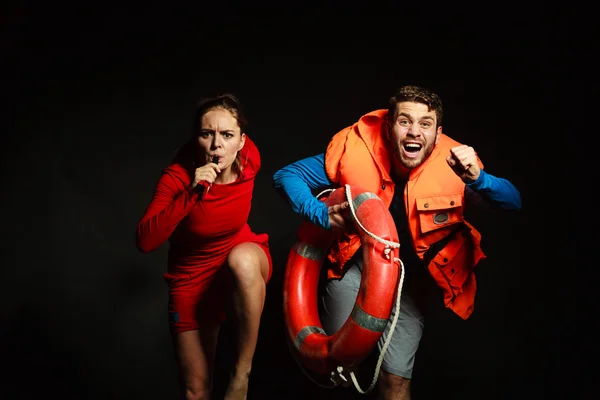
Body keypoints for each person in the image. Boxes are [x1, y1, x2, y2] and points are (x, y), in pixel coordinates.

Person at [272, 85, 521, 400]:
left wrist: (479, 179)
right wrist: (320, 214)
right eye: (405, 121)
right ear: (389, 127)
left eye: (425, 124)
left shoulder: (456, 165)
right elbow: (286, 176)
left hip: (409, 284)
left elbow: (513, 202)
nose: (414, 132)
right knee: (340, 370)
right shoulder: (356, 150)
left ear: (437, 132)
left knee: (396, 381)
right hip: (355, 269)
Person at [136, 93, 272, 400]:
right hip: (191, 276)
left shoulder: (250, 158)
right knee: (196, 390)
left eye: (227, 135)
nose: (216, 145)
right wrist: (191, 194)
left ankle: (242, 373)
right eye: (206, 134)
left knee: (243, 260)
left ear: (241, 140)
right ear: (196, 138)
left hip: (238, 253)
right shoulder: (177, 176)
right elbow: (145, 241)